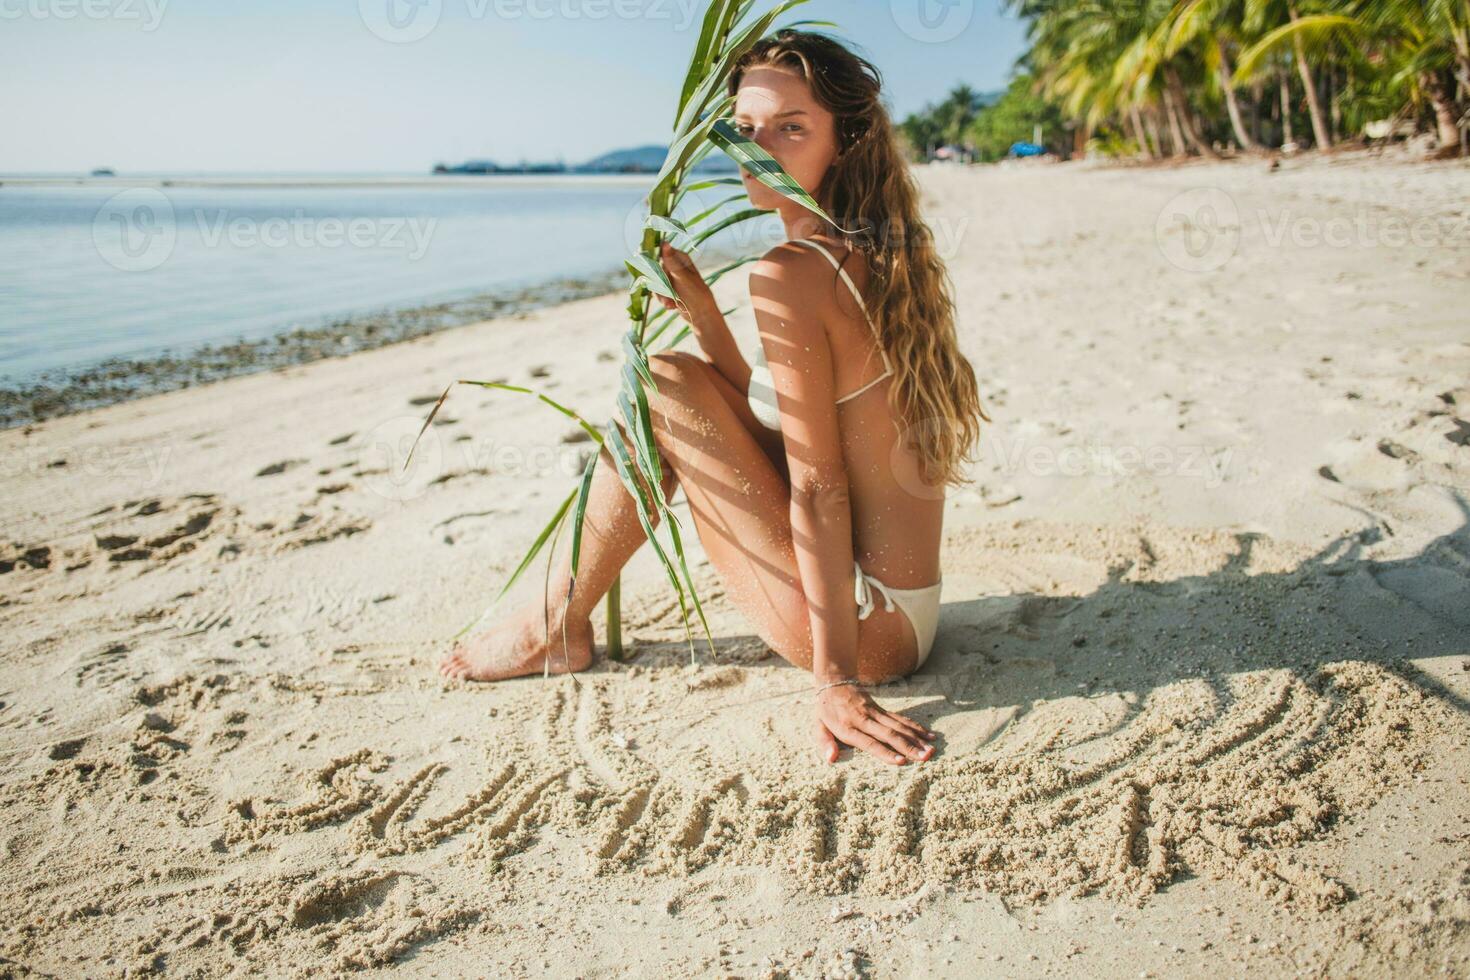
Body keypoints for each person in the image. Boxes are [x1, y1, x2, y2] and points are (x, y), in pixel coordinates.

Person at [439, 29, 990, 767]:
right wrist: (704, 314)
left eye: (790, 128)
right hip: (904, 611)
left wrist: (835, 681)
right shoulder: (866, 251)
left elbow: (821, 488)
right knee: (679, 377)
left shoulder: (791, 271)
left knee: (664, 382)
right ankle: (556, 621)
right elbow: (788, 430)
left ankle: (553, 625)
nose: (756, 149)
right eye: (745, 129)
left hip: (870, 633)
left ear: (846, 141)